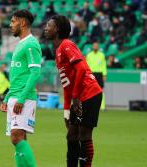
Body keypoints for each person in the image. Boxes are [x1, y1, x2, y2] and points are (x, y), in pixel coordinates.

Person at [44, 15, 102, 167]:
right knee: (71, 135)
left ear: (56, 29)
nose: (45, 28)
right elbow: (66, 84)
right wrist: (66, 111)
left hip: (90, 93)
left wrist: (76, 98)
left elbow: (82, 68)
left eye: (48, 25)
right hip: (79, 96)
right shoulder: (58, 52)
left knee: (84, 135)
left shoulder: (67, 44)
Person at [0, 9, 42, 167]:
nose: (10, 25)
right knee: (17, 139)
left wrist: (22, 98)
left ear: (22, 22)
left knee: (16, 137)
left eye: (13, 21)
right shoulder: (20, 44)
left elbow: (35, 73)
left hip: (24, 98)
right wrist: (7, 97)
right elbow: (18, 77)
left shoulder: (31, 44)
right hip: (15, 96)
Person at [86, 42, 107, 111]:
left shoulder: (102, 55)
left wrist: (104, 74)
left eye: (96, 46)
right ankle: (91, 106)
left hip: (99, 74)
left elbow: (104, 65)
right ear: (92, 47)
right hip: (91, 74)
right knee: (90, 91)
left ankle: (102, 107)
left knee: (100, 90)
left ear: (98, 47)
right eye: (94, 46)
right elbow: (86, 66)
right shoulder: (89, 55)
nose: (95, 47)